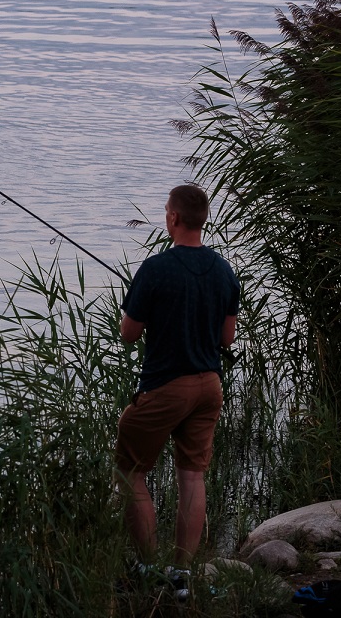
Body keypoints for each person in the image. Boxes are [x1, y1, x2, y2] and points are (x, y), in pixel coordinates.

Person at [115, 184, 239, 583]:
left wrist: (148, 307)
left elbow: (129, 333)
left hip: (168, 386)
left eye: (166, 211)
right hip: (209, 387)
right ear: (202, 219)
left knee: (130, 470)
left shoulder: (154, 269)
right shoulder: (224, 270)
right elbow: (227, 339)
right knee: (192, 476)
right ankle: (182, 573)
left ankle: (147, 567)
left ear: (173, 218)